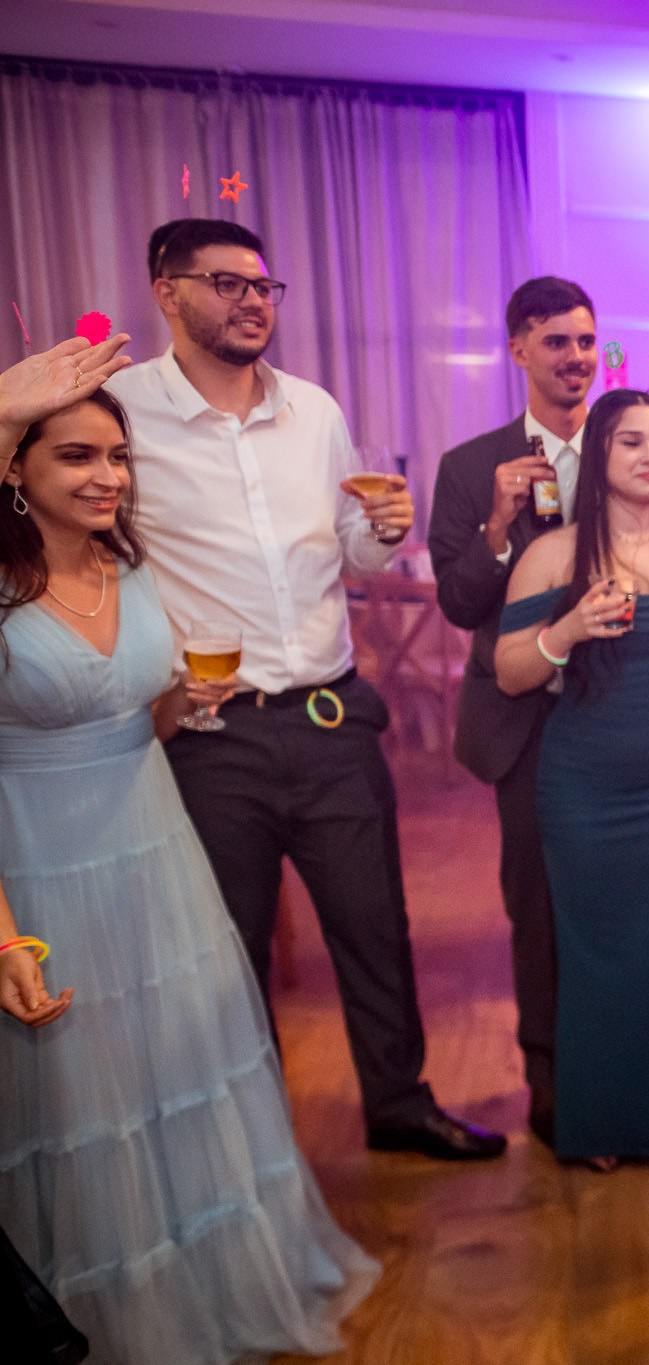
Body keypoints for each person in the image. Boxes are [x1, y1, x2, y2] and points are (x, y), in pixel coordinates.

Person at [0, 341, 378, 1362]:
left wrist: (180, 699)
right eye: (75, 456)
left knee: (181, 1072)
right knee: (82, 1101)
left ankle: (206, 1282)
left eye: (117, 458)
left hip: (154, 850)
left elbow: (149, 718)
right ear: (14, 469)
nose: (106, 477)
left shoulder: (131, 564)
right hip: (39, 866)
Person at [105, 218, 503, 1160]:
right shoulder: (123, 411)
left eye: (264, 287)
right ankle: (250, 1141)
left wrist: (384, 528)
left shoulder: (314, 411)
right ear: (166, 291)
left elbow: (353, 550)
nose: (252, 302)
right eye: (226, 284)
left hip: (329, 714)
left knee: (376, 928)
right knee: (225, 950)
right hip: (209, 731)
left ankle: (400, 1105)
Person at [494, 388, 649, 1174]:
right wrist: (564, 632)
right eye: (631, 441)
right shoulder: (552, 555)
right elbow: (507, 673)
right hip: (584, 785)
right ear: (598, 455)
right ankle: (600, 1118)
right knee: (594, 950)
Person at [428, 274, 598, 1150]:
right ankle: (552, 1081)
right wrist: (496, 527)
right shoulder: (470, 467)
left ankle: (625, 1072)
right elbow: (459, 604)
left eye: (585, 341)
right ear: (518, 349)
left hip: (616, 718)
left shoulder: (627, 447)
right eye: (557, 342)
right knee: (537, 906)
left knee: (617, 902)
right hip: (526, 722)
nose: (576, 358)